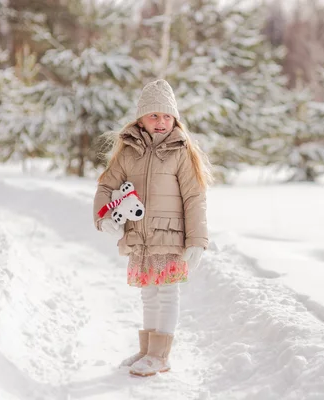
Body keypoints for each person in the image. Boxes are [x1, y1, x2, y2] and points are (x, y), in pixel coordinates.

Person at [93, 79, 211, 377]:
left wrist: (197, 240)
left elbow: (195, 197)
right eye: (154, 115)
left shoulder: (181, 151)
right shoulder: (128, 151)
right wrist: (104, 217)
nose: (161, 122)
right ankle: (147, 350)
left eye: (167, 116)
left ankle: (161, 355)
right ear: (141, 118)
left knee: (167, 292)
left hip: (170, 236)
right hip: (140, 237)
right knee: (148, 293)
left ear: (175, 120)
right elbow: (106, 186)